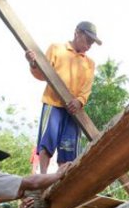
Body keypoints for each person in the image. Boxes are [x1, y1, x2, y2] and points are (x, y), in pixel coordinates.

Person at [25, 21, 101, 175]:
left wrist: (80, 101)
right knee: (47, 142)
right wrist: (33, 63)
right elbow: (42, 74)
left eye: (92, 43)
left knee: (69, 149)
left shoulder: (89, 63)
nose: (89, 45)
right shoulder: (56, 49)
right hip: (53, 103)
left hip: (74, 111)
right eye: (88, 40)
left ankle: (62, 180)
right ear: (77, 33)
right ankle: (43, 176)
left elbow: (87, 88)